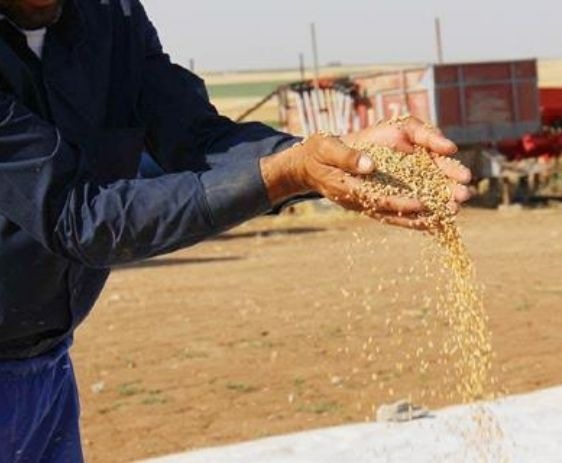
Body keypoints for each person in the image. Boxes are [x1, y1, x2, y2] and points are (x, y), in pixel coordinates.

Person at [0, 0, 471, 461]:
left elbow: (199, 140)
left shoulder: (111, 15)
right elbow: (83, 217)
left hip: (45, 371)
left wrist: (335, 155)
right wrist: (288, 174)